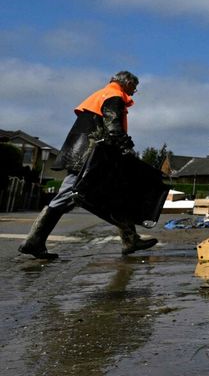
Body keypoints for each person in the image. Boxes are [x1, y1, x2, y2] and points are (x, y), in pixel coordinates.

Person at [20, 71, 158, 259]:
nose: (135, 91)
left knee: (117, 196)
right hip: (91, 160)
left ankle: (130, 239)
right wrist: (127, 148)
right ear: (125, 83)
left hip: (86, 156)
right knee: (66, 197)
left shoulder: (101, 94)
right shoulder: (114, 96)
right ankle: (34, 241)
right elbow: (113, 126)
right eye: (134, 86)